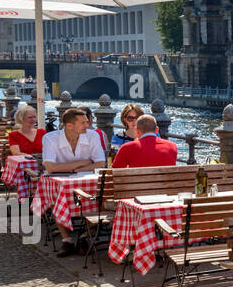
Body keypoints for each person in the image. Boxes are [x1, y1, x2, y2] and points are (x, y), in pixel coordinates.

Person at [42, 107, 106, 257]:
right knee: (56, 197)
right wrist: (82, 163)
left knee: (99, 197)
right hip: (59, 181)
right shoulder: (51, 138)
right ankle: (67, 239)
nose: (88, 125)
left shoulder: (92, 136)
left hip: (85, 180)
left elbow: (100, 163)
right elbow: (50, 167)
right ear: (69, 125)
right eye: (83, 123)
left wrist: (68, 169)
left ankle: (85, 235)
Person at [112, 115, 179, 169]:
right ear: (157, 130)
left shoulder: (127, 148)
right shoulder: (172, 146)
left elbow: (115, 173)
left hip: (137, 185)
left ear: (137, 130)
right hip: (166, 185)